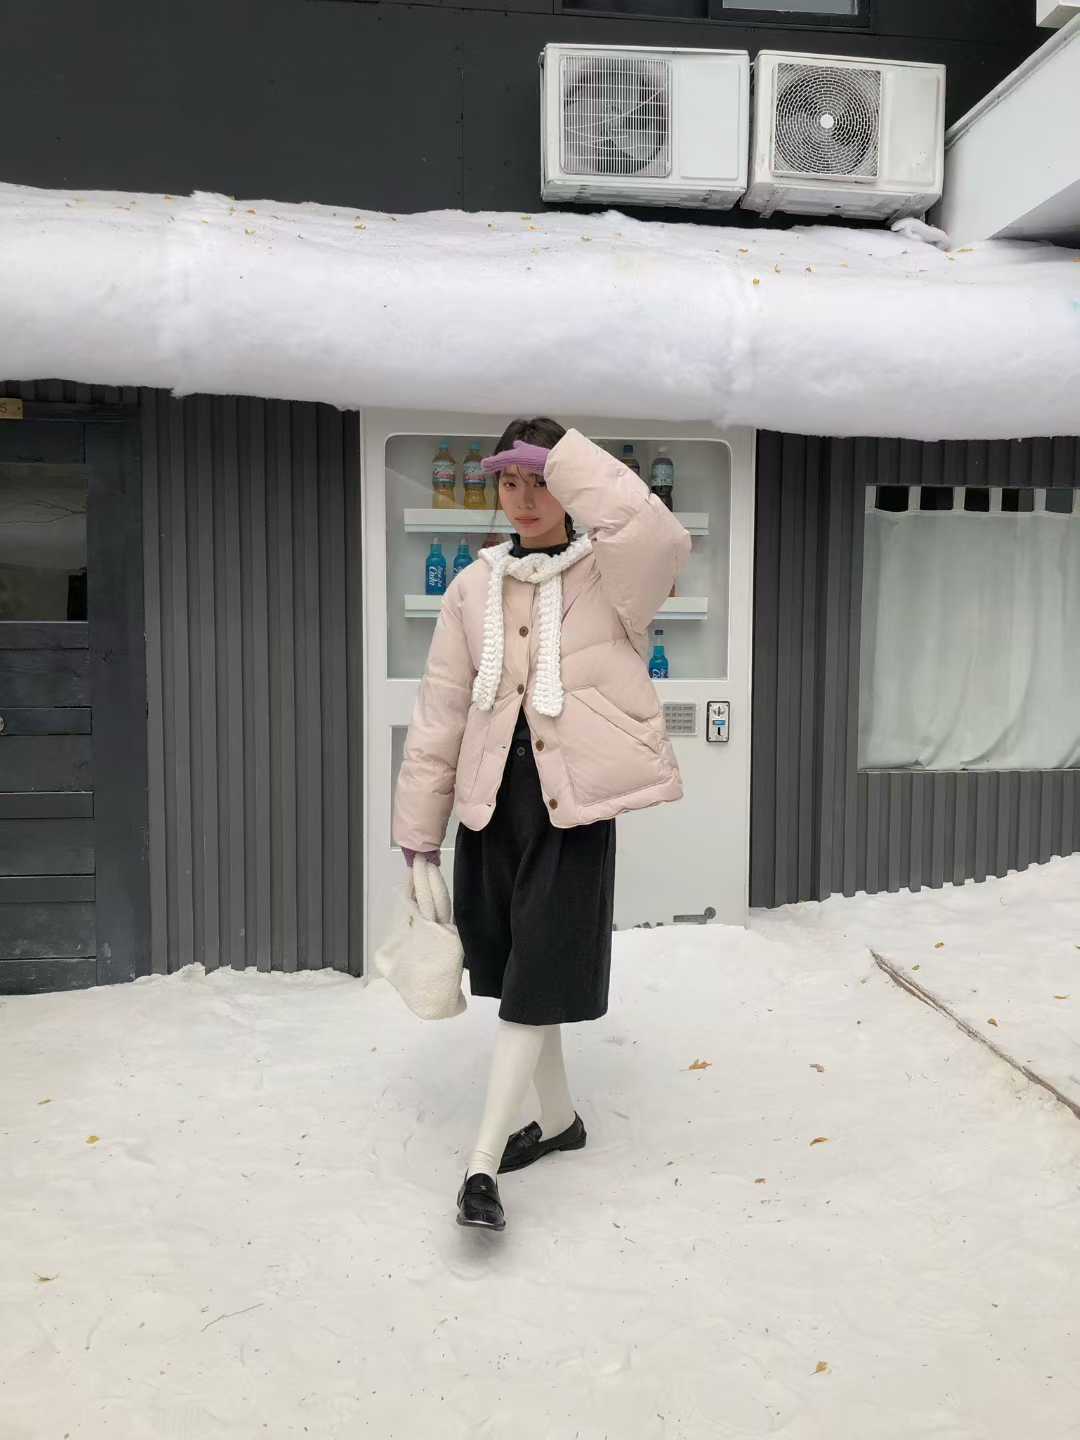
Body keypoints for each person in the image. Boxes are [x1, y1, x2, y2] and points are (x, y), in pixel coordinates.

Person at [391, 417, 692, 1232]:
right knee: (525, 971)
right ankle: (559, 1123)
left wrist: (567, 457)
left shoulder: (615, 575)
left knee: (532, 983)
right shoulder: (472, 587)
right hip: (491, 808)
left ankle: (480, 1165)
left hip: (571, 808)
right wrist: (419, 832)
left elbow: (659, 535)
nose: (523, 499)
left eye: (541, 481)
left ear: (568, 482)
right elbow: (441, 711)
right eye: (511, 482)